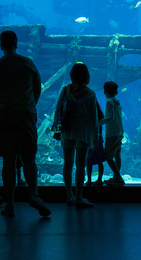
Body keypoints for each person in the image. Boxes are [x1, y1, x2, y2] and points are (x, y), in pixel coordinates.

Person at [0, 30, 50, 217]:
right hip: (25, 113)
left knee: (8, 159)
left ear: (0, 45)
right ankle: (34, 194)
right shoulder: (28, 63)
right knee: (29, 157)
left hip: (3, 114)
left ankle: (10, 205)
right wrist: (29, 106)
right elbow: (38, 89)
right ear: (16, 43)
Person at [54, 63, 102, 208]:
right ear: (86, 75)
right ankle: (79, 197)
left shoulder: (65, 90)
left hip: (67, 130)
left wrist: (57, 129)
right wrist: (95, 135)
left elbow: (58, 111)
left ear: (72, 75)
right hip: (83, 132)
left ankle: (69, 195)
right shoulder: (90, 93)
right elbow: (94, 118)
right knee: (80, 165)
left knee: (67, 164)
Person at [100, 81, 125, 186]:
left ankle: (118, 177)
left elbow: (110, 117)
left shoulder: (109, 102)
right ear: (117, 92)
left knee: (108, 156)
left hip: (112, 133)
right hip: (119, 131)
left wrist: (98, 123)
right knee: (117, 154)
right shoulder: (117, 102)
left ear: (104, 92)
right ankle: (116, 176)